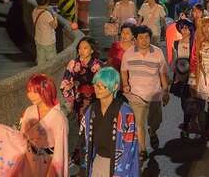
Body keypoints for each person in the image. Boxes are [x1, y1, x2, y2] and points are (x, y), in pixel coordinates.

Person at [0, 74, 68, 176]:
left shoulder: (58, 118)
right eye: (29, 91)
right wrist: (1, 131)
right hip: (28, 161)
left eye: (34, 92)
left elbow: (60, 150)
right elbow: (21, 138)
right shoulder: (29, 111)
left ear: (45, 91)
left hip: (47, 163)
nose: (30, 95)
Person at [121, 25, 170, 161]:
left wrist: (166, 91)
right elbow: (124, 70)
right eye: (140, 37)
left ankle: (153, 131)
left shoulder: (158, 52)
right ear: (135, 39)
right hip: (135, 95)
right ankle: (142, 149)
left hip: (154, 94)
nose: (144, 40)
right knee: (139, 124)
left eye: (146, 37)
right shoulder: (128, 53)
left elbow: (163, 74)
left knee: (156, 121)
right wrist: (125, 84)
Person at [80, 67, 139, 177]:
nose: (97, 89)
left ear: (115, 86)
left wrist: (120, 173)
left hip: (117, 163)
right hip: (96, 160)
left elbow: (130, 145)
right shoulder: (91, 109)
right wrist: (84, 166)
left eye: (101, 86)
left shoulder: (125, 112)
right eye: (95, 85)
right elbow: (83, 138)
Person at [60, 37, 102, 122]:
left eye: (85, 48)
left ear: (92, 50)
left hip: (96, 98)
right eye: (79, 48)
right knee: (82, 124)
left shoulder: (98, 65)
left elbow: (104, 84)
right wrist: (70, 86)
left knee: (96, 124)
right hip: (79, 98)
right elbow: (65, 82)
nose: (81, 51)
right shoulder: (73, 63)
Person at [169, 19, 195, 137]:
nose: (184, 30)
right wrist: (174, 75)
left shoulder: (194, 43)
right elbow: (174, 59)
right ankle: (188, 119)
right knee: (183, 100)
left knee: (190, 99)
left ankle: (187, 123)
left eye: (186, 28)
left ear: (190, 30)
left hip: (192, 74)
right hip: (180, 74)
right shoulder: (176, 43)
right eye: (182, 28)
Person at [32, 0, 58, 65]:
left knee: (41, 60)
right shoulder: (46, 14)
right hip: (48, 41)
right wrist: (55, 15)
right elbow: (55, 25)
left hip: (38, 39)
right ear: (46, 2)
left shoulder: (34, 10)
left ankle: (41, 74)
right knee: (51, 62)